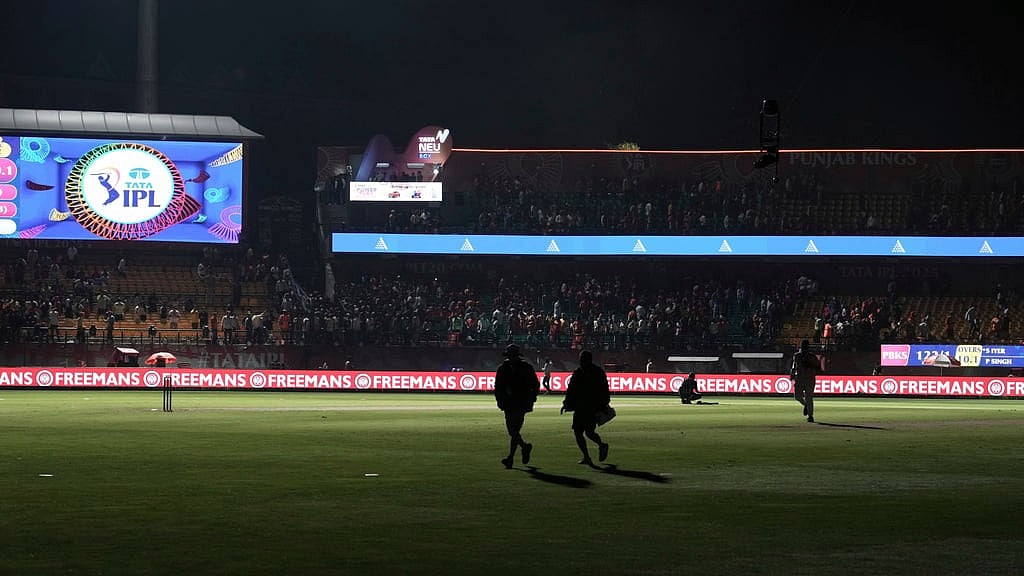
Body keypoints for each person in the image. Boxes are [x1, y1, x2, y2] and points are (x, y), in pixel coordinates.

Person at [494, 344, 540, 469]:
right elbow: (498, 387)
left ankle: (511, 457)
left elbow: (535, 384)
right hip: (509, 403)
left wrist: (532, 397)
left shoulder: (524, 367)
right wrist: (499, 400)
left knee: (514, 430)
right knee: (513, 431)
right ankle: (524, 447)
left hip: (520, 403)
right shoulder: (504, 368)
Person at [561, 349, 611, 465]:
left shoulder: (596, 372)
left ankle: (601, 446)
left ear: (589, 359)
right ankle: (587, 456)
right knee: (578, 432)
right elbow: (571, 389)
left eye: (583, 358)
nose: (581, 360)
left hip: (591, 407)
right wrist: (566, 403)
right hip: (580, 407)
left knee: (588, 432)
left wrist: (604, 403)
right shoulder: (579, 372)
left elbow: (604, 389)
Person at [790, 339, 821, 422]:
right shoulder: (797, 356)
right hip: (799, 378)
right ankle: (806, 405)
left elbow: (818, 367)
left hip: (809, 378)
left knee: (809, 397)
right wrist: (792, 374)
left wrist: (810, 365)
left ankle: (810, 415)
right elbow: (794, 366)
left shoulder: (812, 356)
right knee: (797, 396)